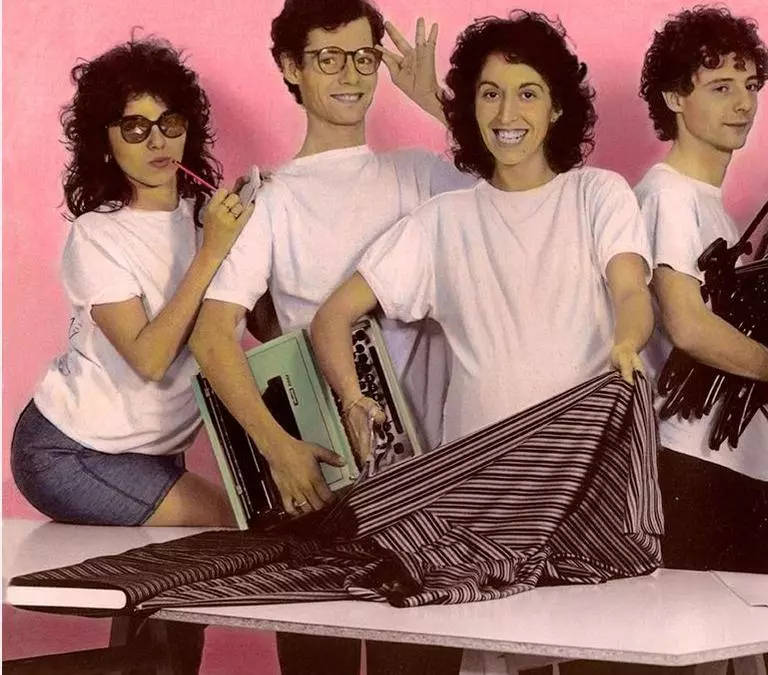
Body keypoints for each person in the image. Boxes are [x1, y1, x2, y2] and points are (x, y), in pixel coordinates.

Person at [186, 1, 472, 672]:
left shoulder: (422, 174)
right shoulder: (271, 198)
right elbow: (212, 336)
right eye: (328, 58)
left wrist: (438, 102)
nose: (351, 74)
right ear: (292, 68)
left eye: (364, 57)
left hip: (426, 481)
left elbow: (521, 188)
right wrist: (279, 449)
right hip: (325, 480)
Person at [310, 9, 653, 467]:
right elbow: (332, 316)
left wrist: (627, 344)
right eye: (491, 94)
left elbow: (630, 290)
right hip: (475, 474)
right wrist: (353, 399)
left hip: (584, 461)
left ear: (556, 107)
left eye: (527, 93)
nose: (507, 114)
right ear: (472, 106)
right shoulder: (441, 221)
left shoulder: (597, 194)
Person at [11, 37, 249, 530]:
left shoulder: (208, 219)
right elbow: (150, 359)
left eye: (170, 123)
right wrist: (212, 252)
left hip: (150, 452)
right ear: (105, 141)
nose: (157, 142)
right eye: (135, 127)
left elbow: (251, 318)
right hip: (68, 450)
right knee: (239, 520)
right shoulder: (97, 234)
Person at [634, 5, 768, 575]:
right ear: (674, 97)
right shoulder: (669, 196)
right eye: (721, 87)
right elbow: (687, 325)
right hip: (687, 456)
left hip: (728, 458)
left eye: (751, 85)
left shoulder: (711, 208)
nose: (743, 104)